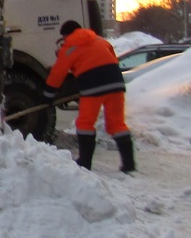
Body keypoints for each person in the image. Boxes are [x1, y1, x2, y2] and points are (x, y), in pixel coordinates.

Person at [43, 20, 135, 173]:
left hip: (92, 85)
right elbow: (112, 60)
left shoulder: (69, 47)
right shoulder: (100, 40)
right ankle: (129, 164)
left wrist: (48, 95)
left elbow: (58, 73)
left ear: (67, 35)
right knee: (117, 123)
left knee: (85, 123)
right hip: (116, 82)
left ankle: (85, 162)